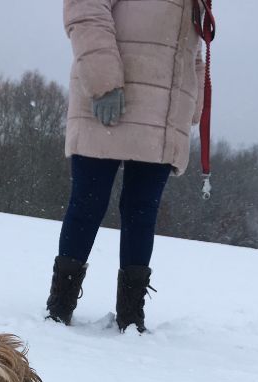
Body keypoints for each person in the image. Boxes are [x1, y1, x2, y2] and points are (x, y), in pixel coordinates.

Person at [46, 0, 206, 333]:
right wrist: (103, 80)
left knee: (142, 210)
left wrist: (191, 104)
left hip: (161, 114)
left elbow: (192, 49)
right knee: (89, 201)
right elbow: (86, 9)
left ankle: (131, 318)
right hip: (109, 98)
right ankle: (59, 308)